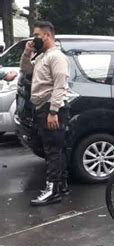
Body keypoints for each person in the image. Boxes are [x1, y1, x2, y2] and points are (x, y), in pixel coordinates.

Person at [19, 21, 70, 206]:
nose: (34, 38)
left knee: (52, 152)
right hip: (43, 108)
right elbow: (25, 70)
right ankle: (61, 187)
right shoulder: (42, 56)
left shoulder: (56, 57)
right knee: (56, 150)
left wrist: (54, 111)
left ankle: (52, 190)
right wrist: (27, 52)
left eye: (37, 35)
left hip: (51, 109)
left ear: (48, 36)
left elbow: (60, 85)